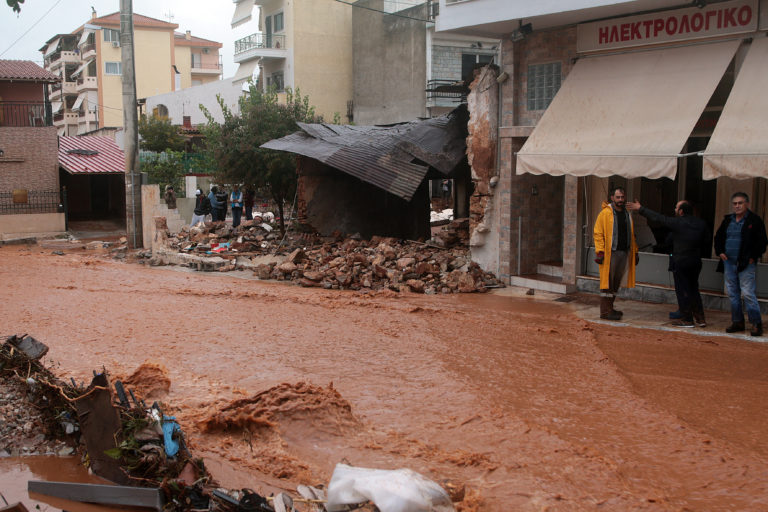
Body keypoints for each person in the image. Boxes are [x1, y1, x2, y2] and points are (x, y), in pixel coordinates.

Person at [627, 199, 710, 327]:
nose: (675, 210)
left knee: (682, 290)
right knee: (694, 289)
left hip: (681, 261)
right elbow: (706, 241)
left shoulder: (678, 223)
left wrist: (640, 208)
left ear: (681, 211)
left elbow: (659, 218)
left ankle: (687, 319)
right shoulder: (701, 223)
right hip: (695, 261)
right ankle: (700, 318)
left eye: (676, 208)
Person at [713, 192, 767, 336]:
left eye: (740, 203)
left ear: (747, 204)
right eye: (735, 203)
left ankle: (756, 324)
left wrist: (753, 257)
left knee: (748, 293)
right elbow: (718, 237)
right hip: (728, 262)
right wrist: (720, 252)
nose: (737, 206)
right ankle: (737, 322)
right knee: (733, 294)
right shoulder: (727, 220)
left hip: (746, 263)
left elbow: (762, 241)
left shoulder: (754, 221)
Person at [593, 187, 639, 320]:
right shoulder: (605, 214)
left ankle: (610, 308)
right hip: (610, 254)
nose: (620, 200)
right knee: (607, 283)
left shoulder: (626, 214)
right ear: (612, 198)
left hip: (623, 253)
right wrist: (600, 252)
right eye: (617, 197)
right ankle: (605, 312)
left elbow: (632, 235)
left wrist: (635, 252)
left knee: (615, 283)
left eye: (622, 197)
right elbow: (598, 233)